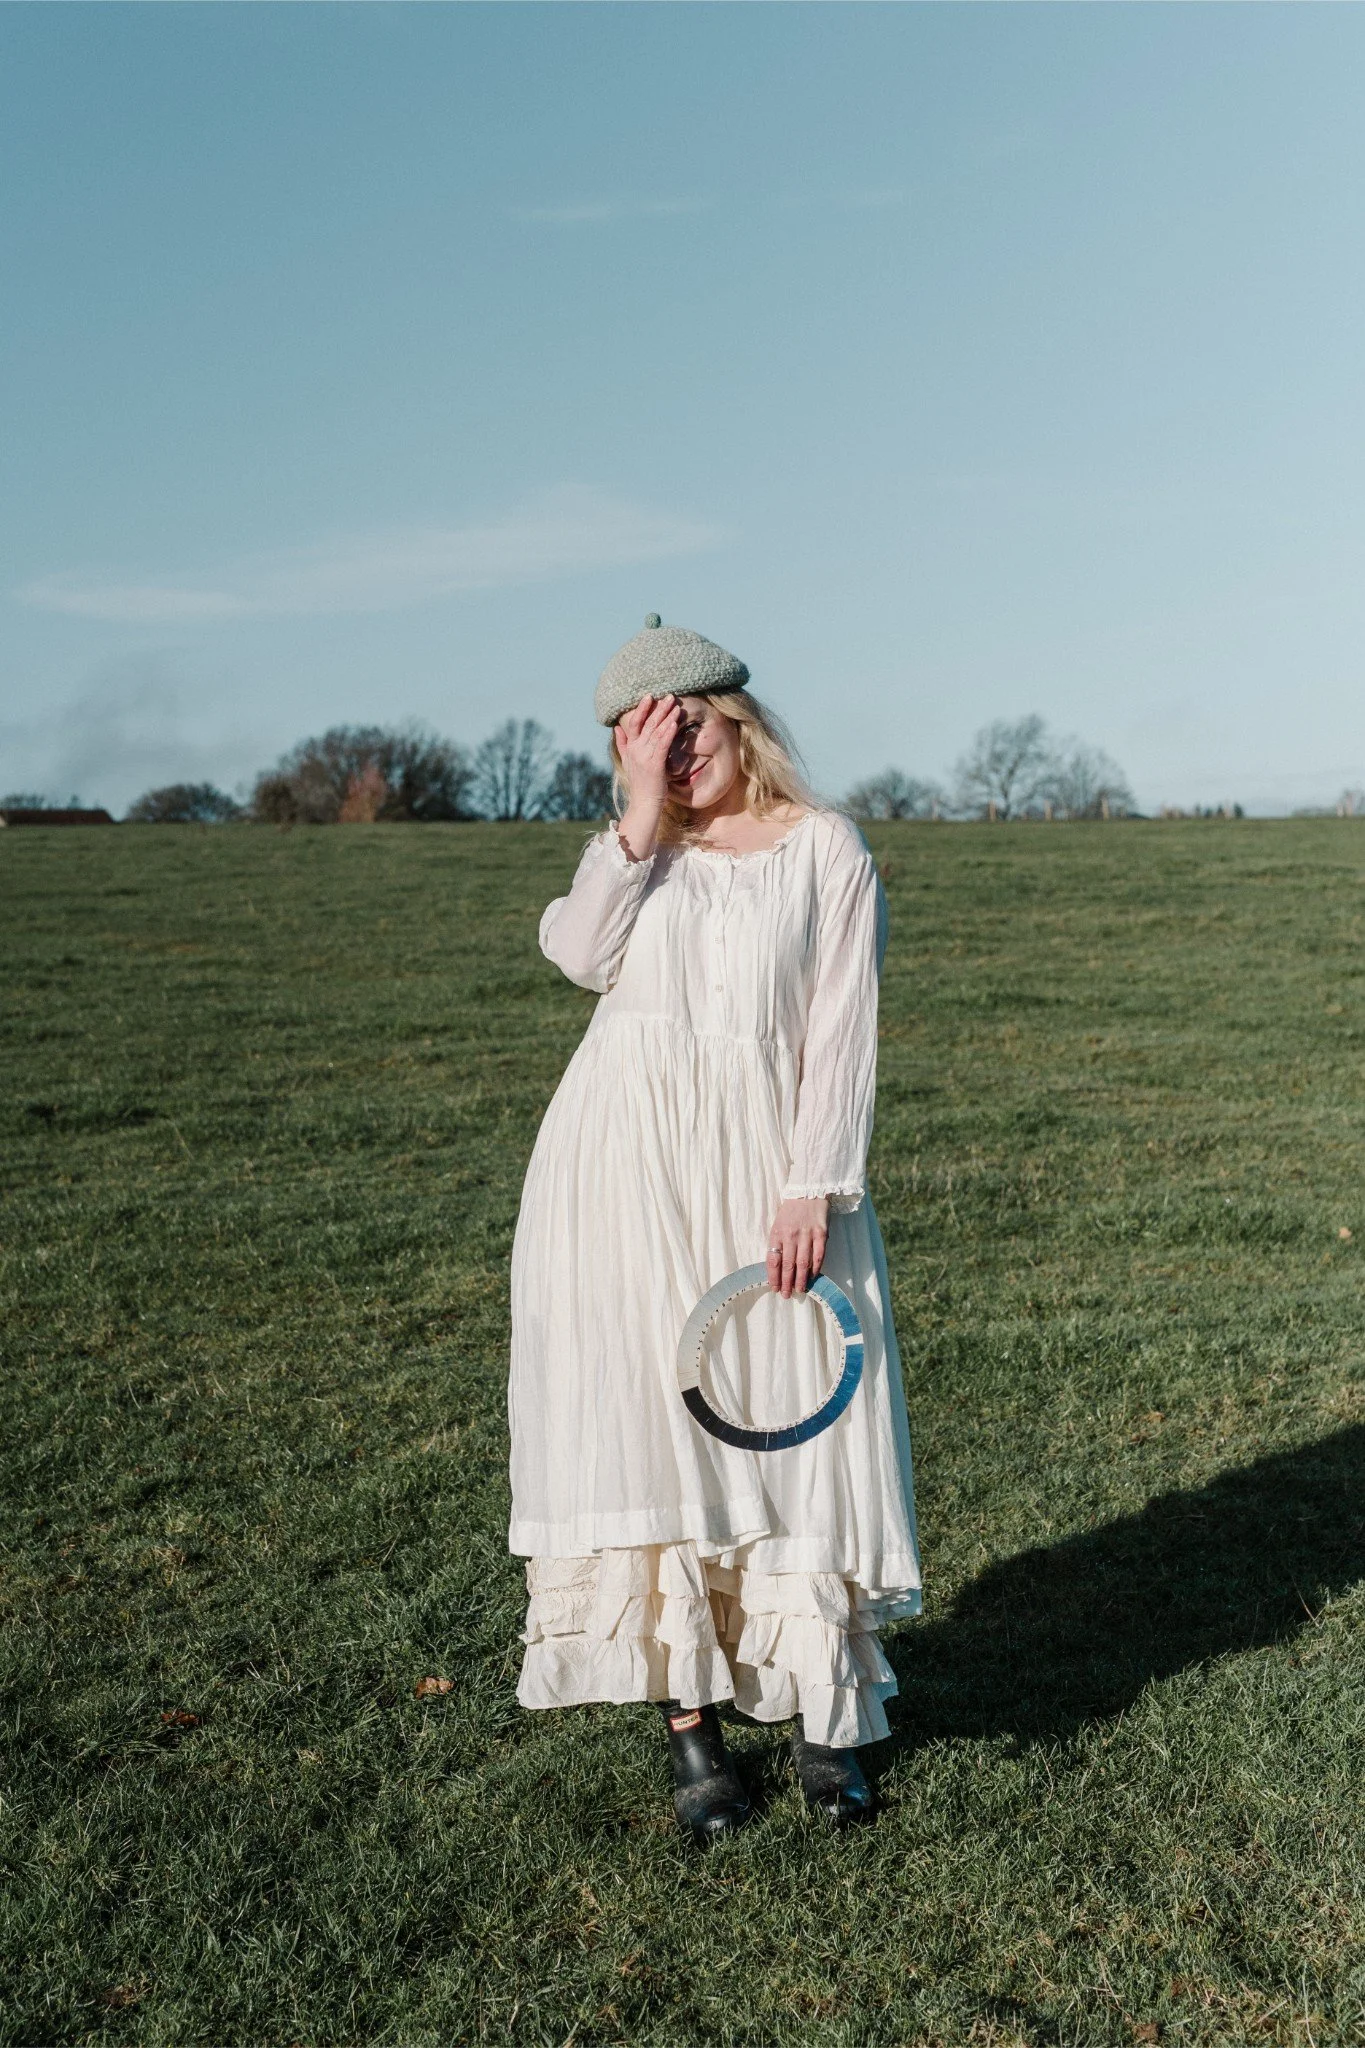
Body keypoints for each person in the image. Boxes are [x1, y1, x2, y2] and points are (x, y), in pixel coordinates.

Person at [507, 616, 920, 1844]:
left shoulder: (827, 850)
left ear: (733, 715)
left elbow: (843, 1032)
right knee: (651, 1439)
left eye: (685, 725)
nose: (674, 753)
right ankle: (693, 1735)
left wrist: (815, 1183)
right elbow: (579, 955)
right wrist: (636, 816)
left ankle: (826, 1723)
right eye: (642, 739)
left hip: (772, 1177)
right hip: (619, 1179)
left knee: (803, 1429)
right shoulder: (639, 855)